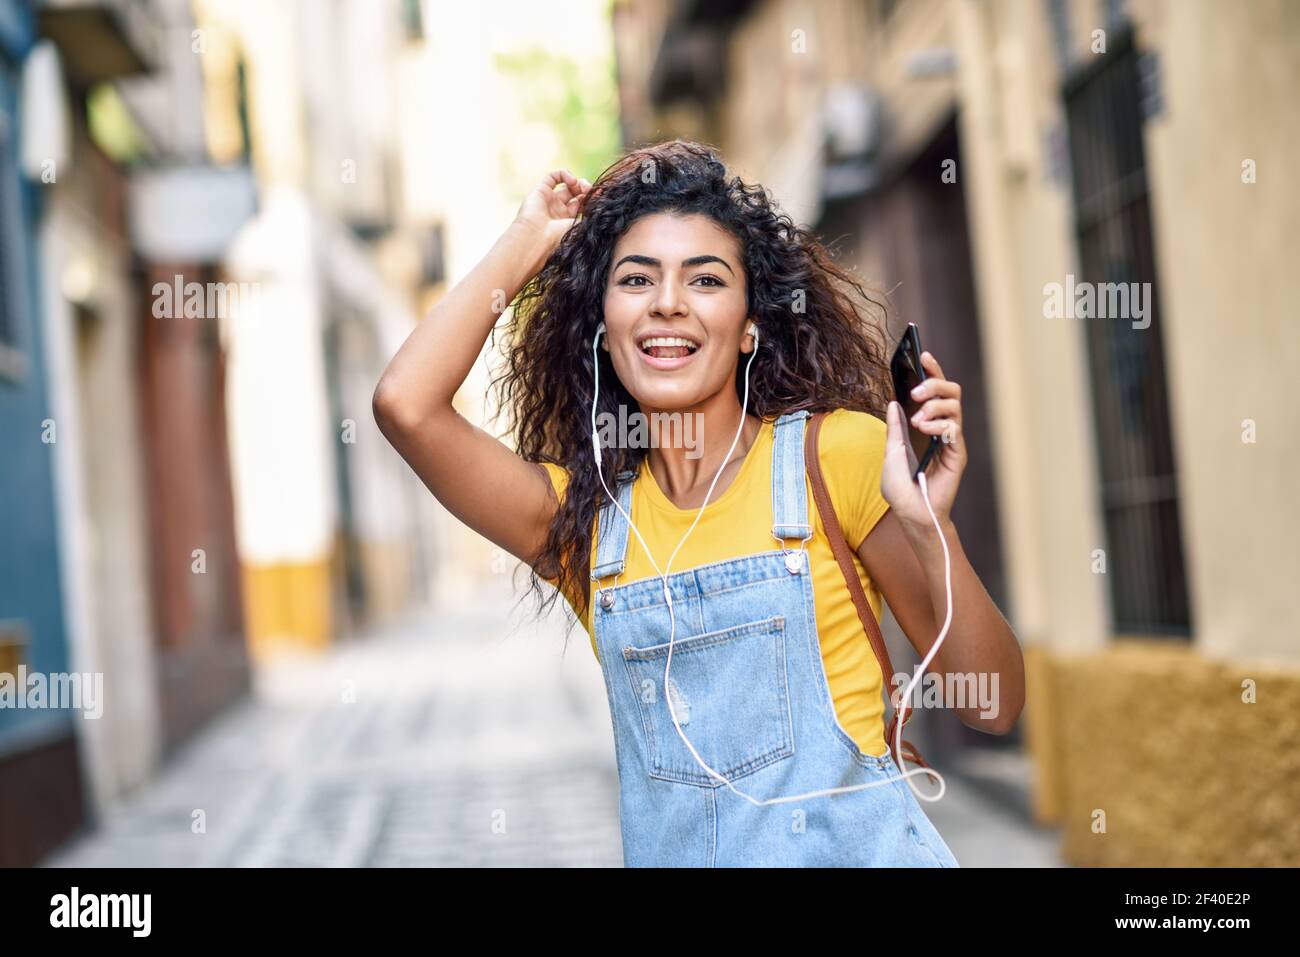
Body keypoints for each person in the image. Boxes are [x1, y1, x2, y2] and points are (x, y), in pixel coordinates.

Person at [373, 140, 1024, 867]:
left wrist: (930, 528)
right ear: (603, 327)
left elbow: (992, 704)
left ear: (750, 325)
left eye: (705, 279)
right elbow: (406, 405)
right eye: (636, 279)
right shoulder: (586, 527)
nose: (668, 302)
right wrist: (525, 243)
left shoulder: (836, 456)